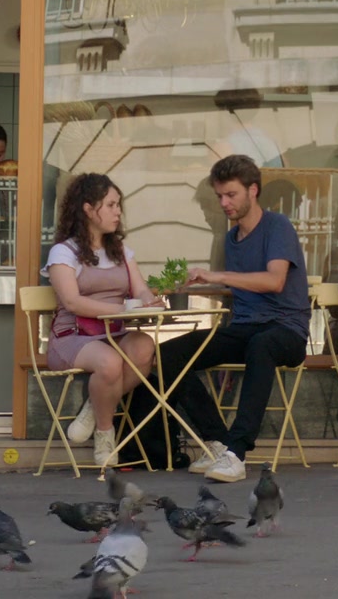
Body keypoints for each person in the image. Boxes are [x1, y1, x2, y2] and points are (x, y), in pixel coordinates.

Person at [127, 154, 309, 482]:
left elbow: (274, 281)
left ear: (253, 190)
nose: (224, 203)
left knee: (262, 345)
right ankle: (217, 442)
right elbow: (240, 287)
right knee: (168, 354)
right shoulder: (231, 238)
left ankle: (237, 453)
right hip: (244, 328)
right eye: (220, 196)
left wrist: (219, 276)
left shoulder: (277, 226)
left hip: (285, 331)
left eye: (231, 195)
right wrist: (199, 285)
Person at [45, 173, 160, 467]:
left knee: (145, 347)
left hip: (113, 335)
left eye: (118, 204)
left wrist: (150, 301)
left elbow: (140, 289)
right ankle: (105, 434)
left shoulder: (121, 250)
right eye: (110, 205)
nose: (117, 211)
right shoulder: (63, 252)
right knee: (110, 362)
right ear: (87, 209)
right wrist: (123, 311)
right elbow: (72, 301)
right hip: (73, 336)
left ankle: (92, 408)